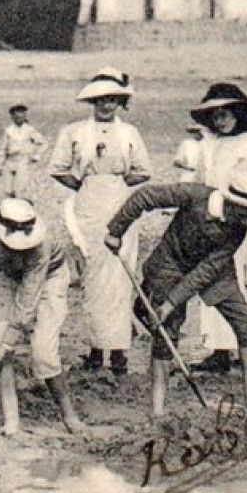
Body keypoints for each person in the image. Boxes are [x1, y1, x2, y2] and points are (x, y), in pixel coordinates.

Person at [104, 171, 247, 414]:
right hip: (169, 264)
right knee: (166, 330)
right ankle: (158, 411)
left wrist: (171, 301)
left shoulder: (238, 228)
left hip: (213, 271)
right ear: (232, 202)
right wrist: (116, 230)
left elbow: (206, 271)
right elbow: (145, 196)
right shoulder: (195, 195)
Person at [49, 69, 152, 375]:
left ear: (119, 102)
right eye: (100, 101)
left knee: (120, 275)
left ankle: (119, 352)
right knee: (93, 275)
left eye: (112, 100)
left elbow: (143, 171)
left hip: (119, 200)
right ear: (92, 102)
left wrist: (118, 182)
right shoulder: (74, 132)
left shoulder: (130, 132)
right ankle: (96, 350)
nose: (106, 106)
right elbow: (58, 168)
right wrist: (83, 184)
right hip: (88, 203)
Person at [187, 82, 247, 372]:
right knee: (210, 280)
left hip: (243, 220)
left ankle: (243, 347)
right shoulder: (208, 145)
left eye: (226, 114)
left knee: (241, 282)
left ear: (239, 114)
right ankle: (218, 349)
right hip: (211, 221)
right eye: (215, 116)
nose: (221, 121)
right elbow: (199, 185)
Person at [0, 198, 84, 435]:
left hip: (48, 279)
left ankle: (69, 416)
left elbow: (25, 306)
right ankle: (11, 422)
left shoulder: (42, 246)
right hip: (9, 275)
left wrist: (3, 350)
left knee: (44, 352)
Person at [0, 104, 49, 199]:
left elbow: (43, 143)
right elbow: (2, 148)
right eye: (17, 116)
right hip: (9, 161)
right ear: (12, 117)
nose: (19, 118)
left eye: (22, 115)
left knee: (19, 190)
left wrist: (36, 155)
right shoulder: (8, 130)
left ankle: (19, 211)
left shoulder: (29, 130)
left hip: (22, 161)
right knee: (7, 191)